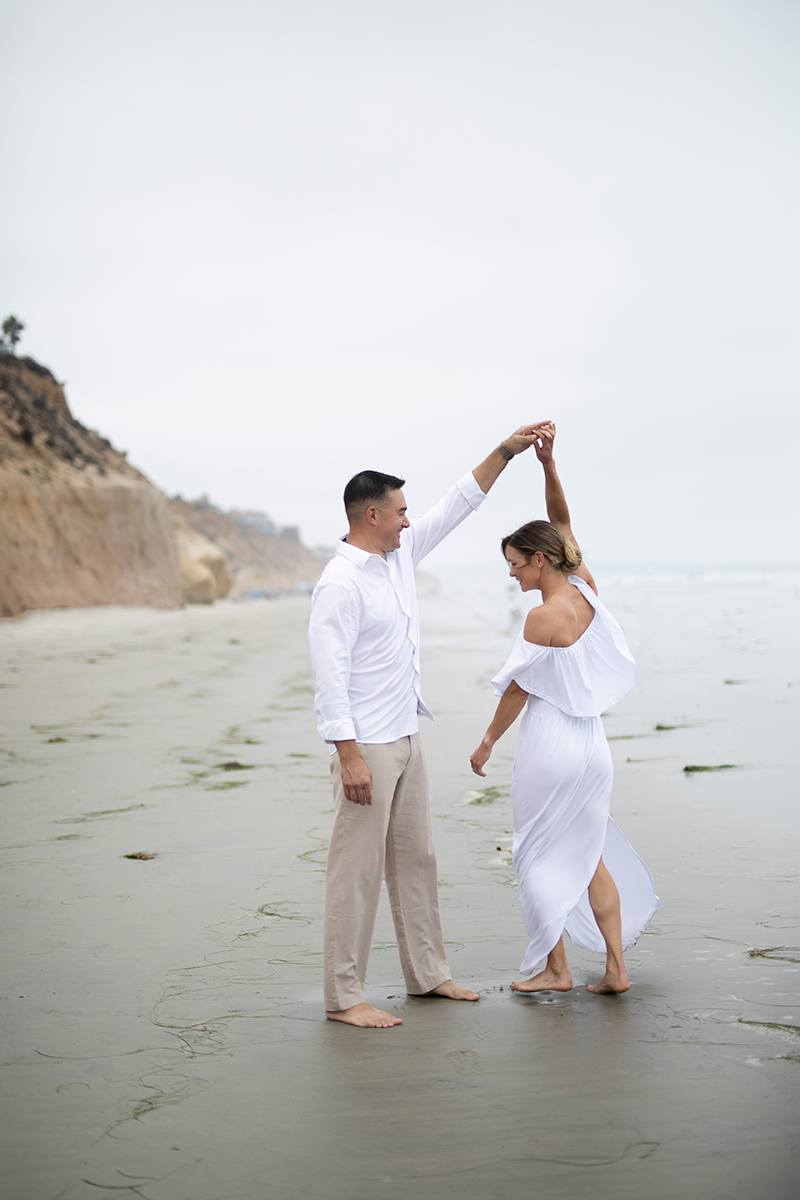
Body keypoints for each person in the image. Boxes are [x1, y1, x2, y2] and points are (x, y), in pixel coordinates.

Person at [309, 424, 550, 1028]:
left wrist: (507, 452)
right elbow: (329, 677)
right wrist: (349, 755)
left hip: (407, 736)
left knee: (417, 861)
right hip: (365, 744)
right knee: (355, 874)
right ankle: (344, 997)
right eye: (400, 512)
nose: (410, 521)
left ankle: (428, 974)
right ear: (371, 515)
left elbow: (458, 504)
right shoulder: (339, 584)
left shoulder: (399, 559)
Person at [469, 424, 659, 995]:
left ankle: (556, 970)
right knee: (589, 854)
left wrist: (486, 742)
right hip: (592, 746)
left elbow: (519, 690)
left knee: (536, 853)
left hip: (551, 744)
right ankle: (616, 972)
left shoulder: (541, 618)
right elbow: (563, 522)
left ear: (539, 560)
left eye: (515, 563)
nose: (512, 574)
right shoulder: (586, 587)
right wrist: (549, 466)